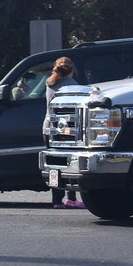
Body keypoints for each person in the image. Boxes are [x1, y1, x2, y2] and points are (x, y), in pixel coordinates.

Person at [44, 56, 85, 209]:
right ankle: (71, 198)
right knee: (69, 164)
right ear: (72, 70)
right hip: (66, 129)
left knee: (54, 166)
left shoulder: (50, 83)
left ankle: (56, 200)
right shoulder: (72, 85)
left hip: (48, 128)